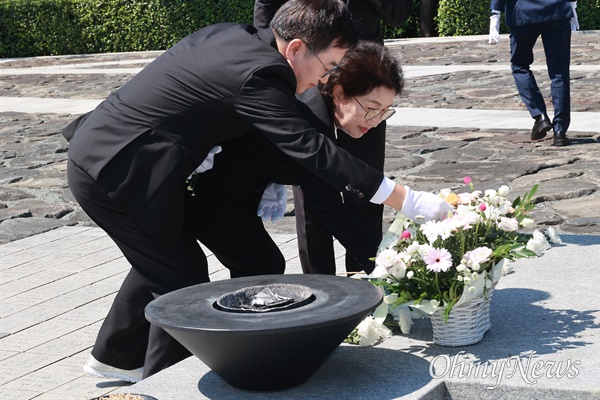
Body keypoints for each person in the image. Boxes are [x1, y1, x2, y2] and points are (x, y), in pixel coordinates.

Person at [70, 0, 451, 381]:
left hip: (126, 159)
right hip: (118, 171)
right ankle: (164, 385)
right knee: (181, 288)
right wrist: (407, 199)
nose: (326, 79)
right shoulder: (262, 75)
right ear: (297, 48)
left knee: (170, 266)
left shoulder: (233, 35)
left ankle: (117, 359)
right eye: (329, 67)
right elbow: (313, 150)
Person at [254, 0, 414, 274]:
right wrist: (273, 57)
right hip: (306, 63)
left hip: (367, 76)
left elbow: (397, 14)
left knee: (366, 184)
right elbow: (266, 8)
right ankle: (321, 284)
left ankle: (368, 274)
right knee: (312, 183)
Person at [489, 0, 578, 146]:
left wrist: (495, 13)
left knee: (519, 65)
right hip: (557, 9)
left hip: (523, 12)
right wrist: (572, 5)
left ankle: (540, 116)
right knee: (559, 72)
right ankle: (560, 131)